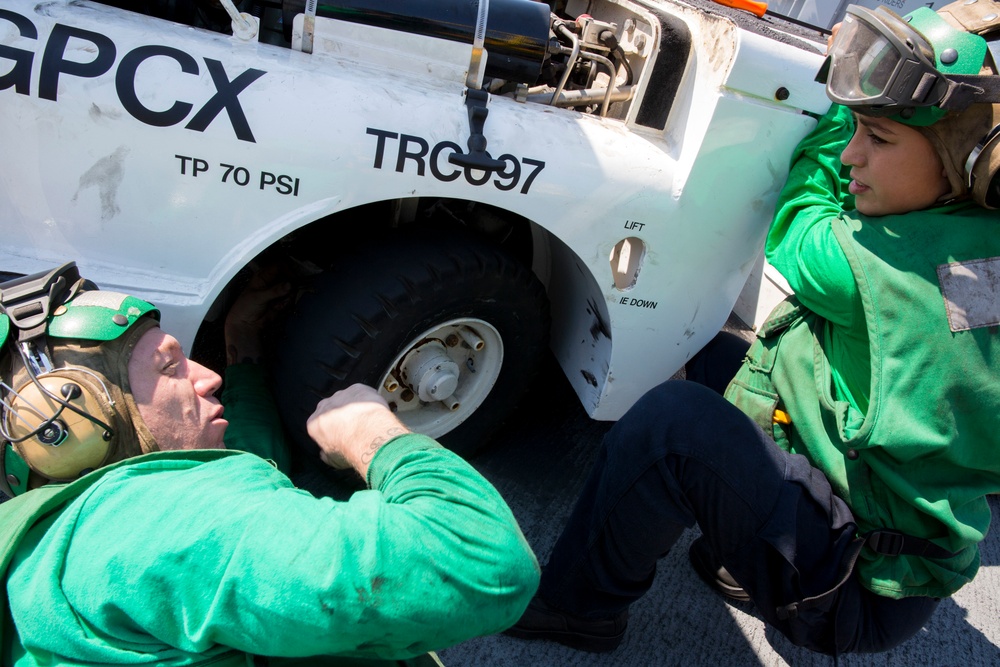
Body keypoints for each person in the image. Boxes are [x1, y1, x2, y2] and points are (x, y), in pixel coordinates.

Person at [505, 2, 1000, 657]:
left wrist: (832, 116)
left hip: (848, 586)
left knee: (673, 423)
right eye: (856, 131)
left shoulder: (874, 266)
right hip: (877, 525)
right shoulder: (974, 240)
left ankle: (578, 607)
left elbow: (800, 216)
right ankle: (739, 556)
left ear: (965, 159)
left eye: (877, 138)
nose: (854, 155)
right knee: (713, 358)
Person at [0, 262, 540, 665]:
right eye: (170, 367)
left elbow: (238, 467)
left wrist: (246, 351)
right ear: (65, 426)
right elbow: (485, 560)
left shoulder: (76, 526)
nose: (205, 376)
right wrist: (373, 434)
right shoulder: (159, 526)